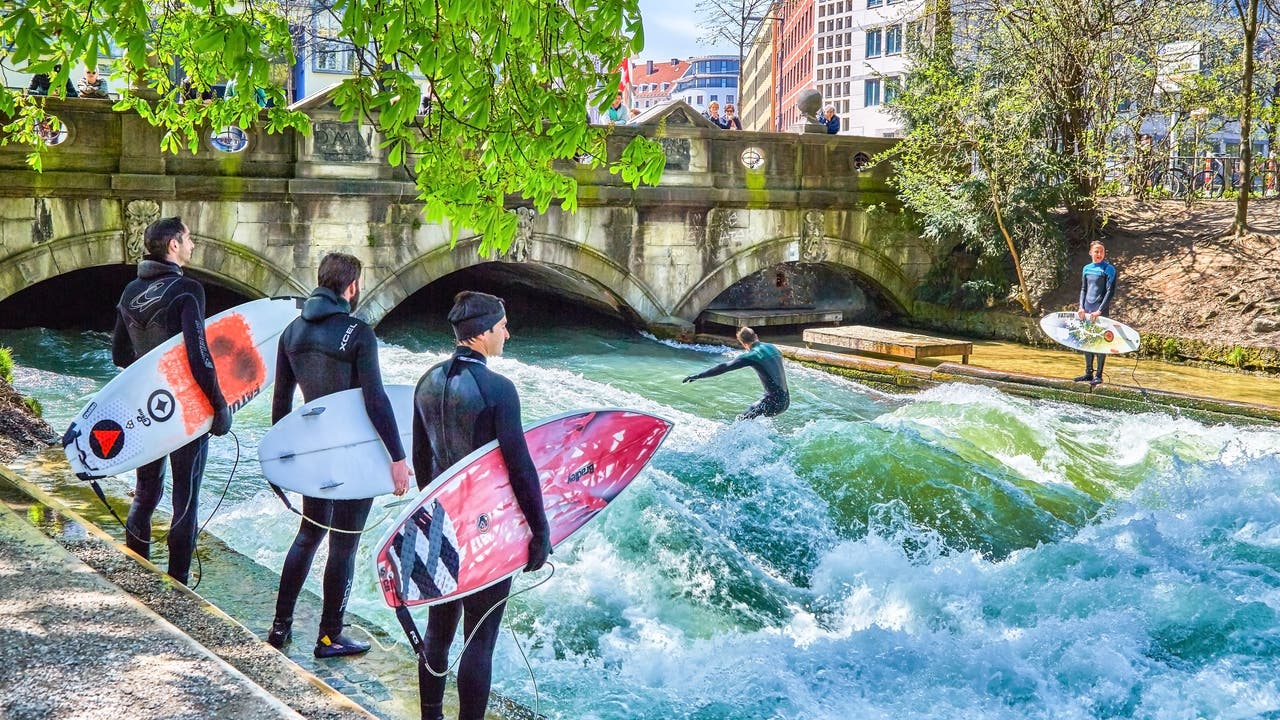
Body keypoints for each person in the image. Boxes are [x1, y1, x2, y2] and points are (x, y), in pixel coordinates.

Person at [267, 252, 412, 658]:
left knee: (309, 535)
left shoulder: (292, 333)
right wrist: (397, 458)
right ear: (351, 287)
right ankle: (330, 636)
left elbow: (281, 405)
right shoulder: (357, 332)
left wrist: (283, 459)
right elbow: (376, 402)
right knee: (343, 545)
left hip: (314, 452)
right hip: (352, 453)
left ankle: (280, 628)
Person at [412, 291, 550, 720]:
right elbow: (521, 468)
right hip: (485, 530)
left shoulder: (426, 381)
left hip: (440, 523)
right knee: (479, 638)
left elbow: (421, 458)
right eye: (503, 326)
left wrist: (434, 520)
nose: (507, 333)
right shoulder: (498, 390)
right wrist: (540, 532)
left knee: (438, 631)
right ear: (484, 333)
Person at [110, 217, 231, 585]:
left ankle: (136, 572)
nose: (193, 245)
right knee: (185, 500)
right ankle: (177, 585)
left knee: (146, 493)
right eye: (189, 239)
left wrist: (150, 377)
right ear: (174, 245)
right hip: (184, 409)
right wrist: (219, 404)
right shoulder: (187, 289)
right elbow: (199, 355)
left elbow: (118, 353)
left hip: (145, 407)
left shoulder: (130, 291)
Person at [683, 326, 790, 420]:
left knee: (741, 421)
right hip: (785, 401)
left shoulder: (751, 355)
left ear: (744, 344)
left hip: (772, 403)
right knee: (753, 420)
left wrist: (697, 376)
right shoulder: (773, 348)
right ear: (756, 336)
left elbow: (724, 367)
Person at [1074, 240, 1118, 387]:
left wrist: (1100, 311)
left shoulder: (1109, 269)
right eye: (1096, 251)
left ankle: (1098, 375)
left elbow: (1110, 292)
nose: (1099, 254)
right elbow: (1083, 290)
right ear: (1091, 252)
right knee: (1087, 340)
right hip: (1086, 309)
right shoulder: (1086, 268)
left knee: (1100, 342)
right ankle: (1088, 373)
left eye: (1102, 252)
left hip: (1101, 310)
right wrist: (1081, 307)